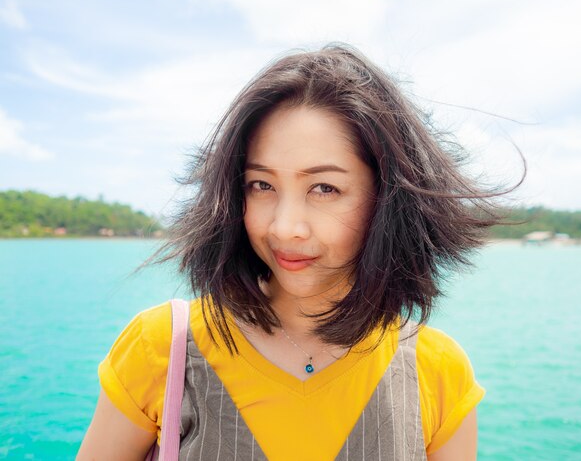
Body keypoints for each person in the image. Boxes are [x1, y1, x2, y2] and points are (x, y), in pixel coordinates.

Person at [77, 43, 524, 460]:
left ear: (387, 199)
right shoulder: (163, 347)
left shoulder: (437, 372)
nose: (284, 227)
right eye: (262, 185)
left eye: (324, 188)